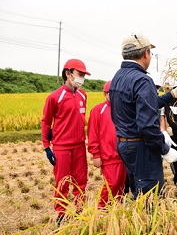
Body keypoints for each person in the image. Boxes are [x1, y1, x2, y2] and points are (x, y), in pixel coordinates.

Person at [109, 34, 177, 197]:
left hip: (124, 144)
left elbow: (142, 108)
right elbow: (147, 126)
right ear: (145, 53)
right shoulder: (142, 80)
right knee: (151, 198)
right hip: (142, 148)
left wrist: (171, 95)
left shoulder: (117, 77)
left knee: (139, 193)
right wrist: (165, 149)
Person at [41, 58, 91, 221]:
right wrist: (46, 146)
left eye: (84, 75)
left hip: (79, 146)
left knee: (81, 180)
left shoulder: (83, 96)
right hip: (62, 146)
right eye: (80, 74)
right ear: (68, 74)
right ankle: (61, 214)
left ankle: (79, 210)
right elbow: (46, 122)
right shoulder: (55, 97)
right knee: (62, 182)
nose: (82, 78)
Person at [88, 80, 126, 208]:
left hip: (123, 154)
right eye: (111, 93)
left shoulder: (123, 109)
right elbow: (92, 133)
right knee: (112, 184)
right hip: (108, 155)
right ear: (105, 94)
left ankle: (116, 209)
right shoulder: (98, 110)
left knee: (121, 185)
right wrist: (95, 154)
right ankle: (101, 208)